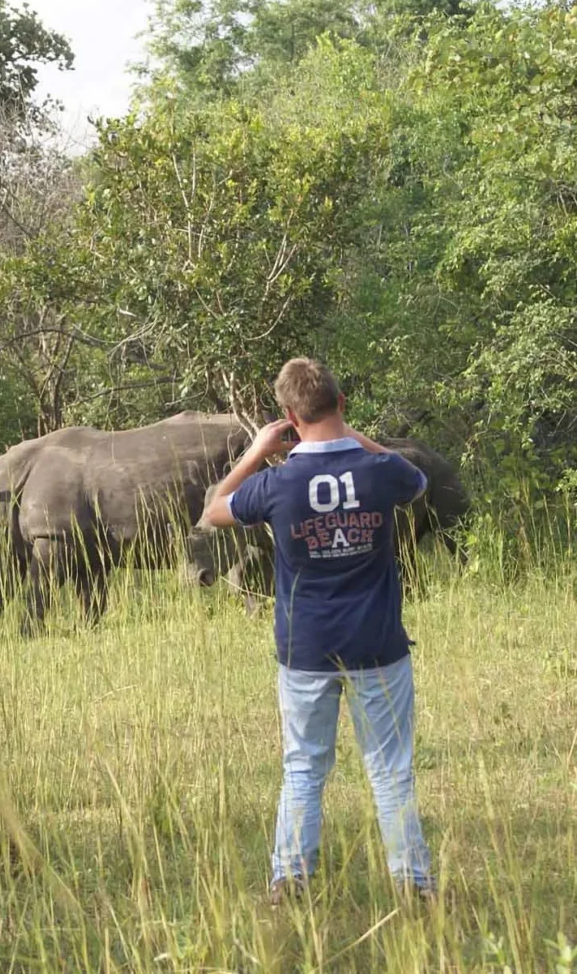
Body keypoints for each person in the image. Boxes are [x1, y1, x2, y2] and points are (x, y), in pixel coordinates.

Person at [202, 358, 435, 903]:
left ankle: (290, 880)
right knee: (391, 772)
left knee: (304, 767)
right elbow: (418, 480)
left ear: (288, 416)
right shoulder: (380, 472)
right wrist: (352, 437)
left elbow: (213, 510)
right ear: (342, 402)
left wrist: (257, 451)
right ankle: (414, 887)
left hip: (305, 649)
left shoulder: (277, 482)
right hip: (377, 645)